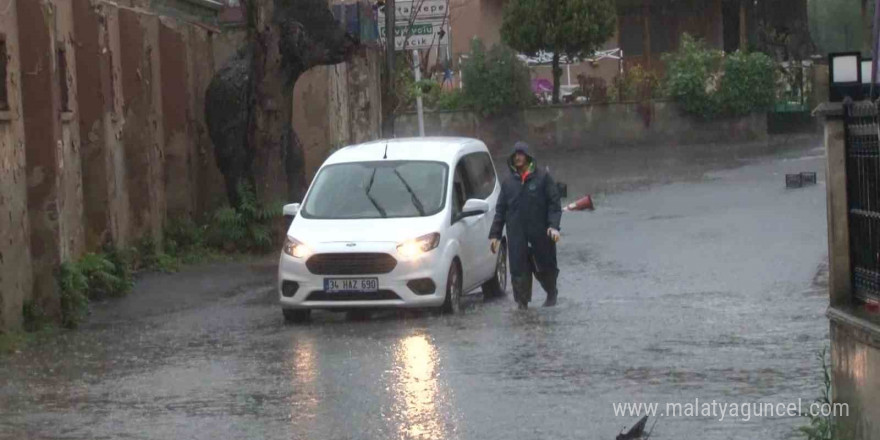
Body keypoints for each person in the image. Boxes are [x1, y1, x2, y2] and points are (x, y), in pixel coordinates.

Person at [489, 141, 562, 309]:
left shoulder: (543, 177)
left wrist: (553, 226)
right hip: (517, 238)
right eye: (515, 155)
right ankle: (522, 306)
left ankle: (551, 294)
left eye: (521, 154)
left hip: (540, 236)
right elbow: (500, 211)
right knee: (519, 273)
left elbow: (554, 203)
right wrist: (495, 235)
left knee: (545, 268)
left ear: (528, 157)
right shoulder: (508, 184)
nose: (518, 157)